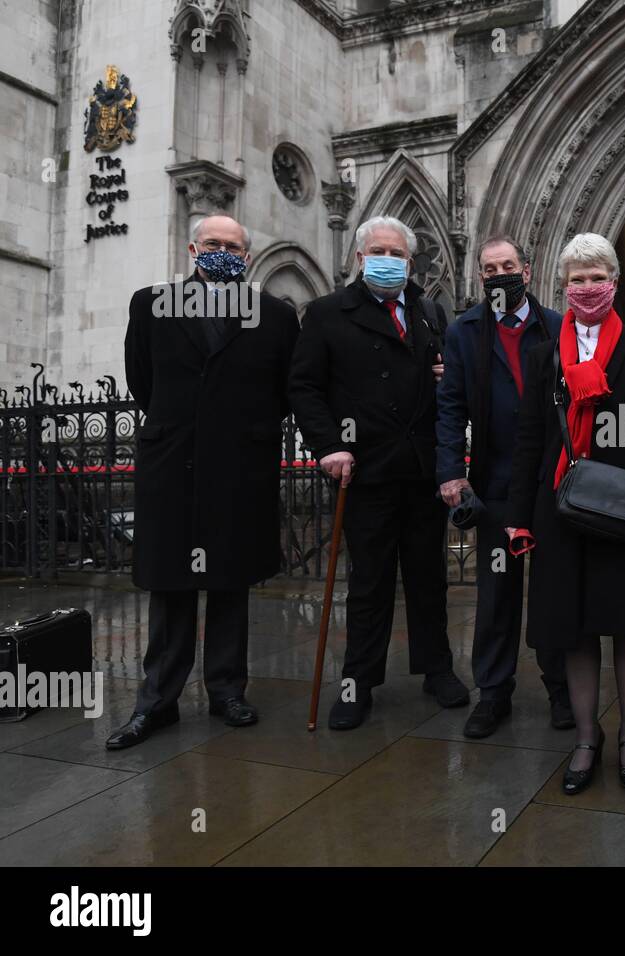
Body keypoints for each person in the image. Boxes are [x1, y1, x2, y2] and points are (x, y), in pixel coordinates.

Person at [505, 232, 625, 795]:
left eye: (597, 277)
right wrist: (519, 516)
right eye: (577, 279)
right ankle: (588, 737)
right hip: (561, 508)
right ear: (562, 286)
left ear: (614, 283)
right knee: (575, 629)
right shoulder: (542, 355)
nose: (587, 288)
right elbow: (531, 438)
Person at [109, 214, 299, 749]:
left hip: (239, 466)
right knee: (171, 584)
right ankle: (158, 701)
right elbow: (142, 379)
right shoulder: (151, 305)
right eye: (213, 243)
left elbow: (285, 389)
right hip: (174, 464)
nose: (224, 252)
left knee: (229, 581)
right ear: (193, 248)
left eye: (234, 247)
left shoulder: (276, 316)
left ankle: (226, 691)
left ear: (248, 256)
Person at [289, 215, 469, 730]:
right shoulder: (326, 314)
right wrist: (327, 447)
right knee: (368, 583)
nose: (388, 261)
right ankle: (357, 683)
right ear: (359, 258)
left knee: (428, 577)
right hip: (363, 469)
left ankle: (438, 670)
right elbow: (304, 387)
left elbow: (444, 379)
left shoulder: (429, 310)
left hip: (420, 468)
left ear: (410, 263)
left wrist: (444, 375)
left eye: (397, 254)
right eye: (378, 252)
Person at [436, 234, 573, 738]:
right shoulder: (464, 332)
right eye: (490, 270)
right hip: (494, 485)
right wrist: (450, 472)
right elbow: (449, 405)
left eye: (507, 266)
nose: (500, 276)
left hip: (550, 482)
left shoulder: (557, 327)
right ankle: (493, 694)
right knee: (496, 594)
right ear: (480, 278)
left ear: (528, 271)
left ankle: (561, 690)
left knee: (553, 592)